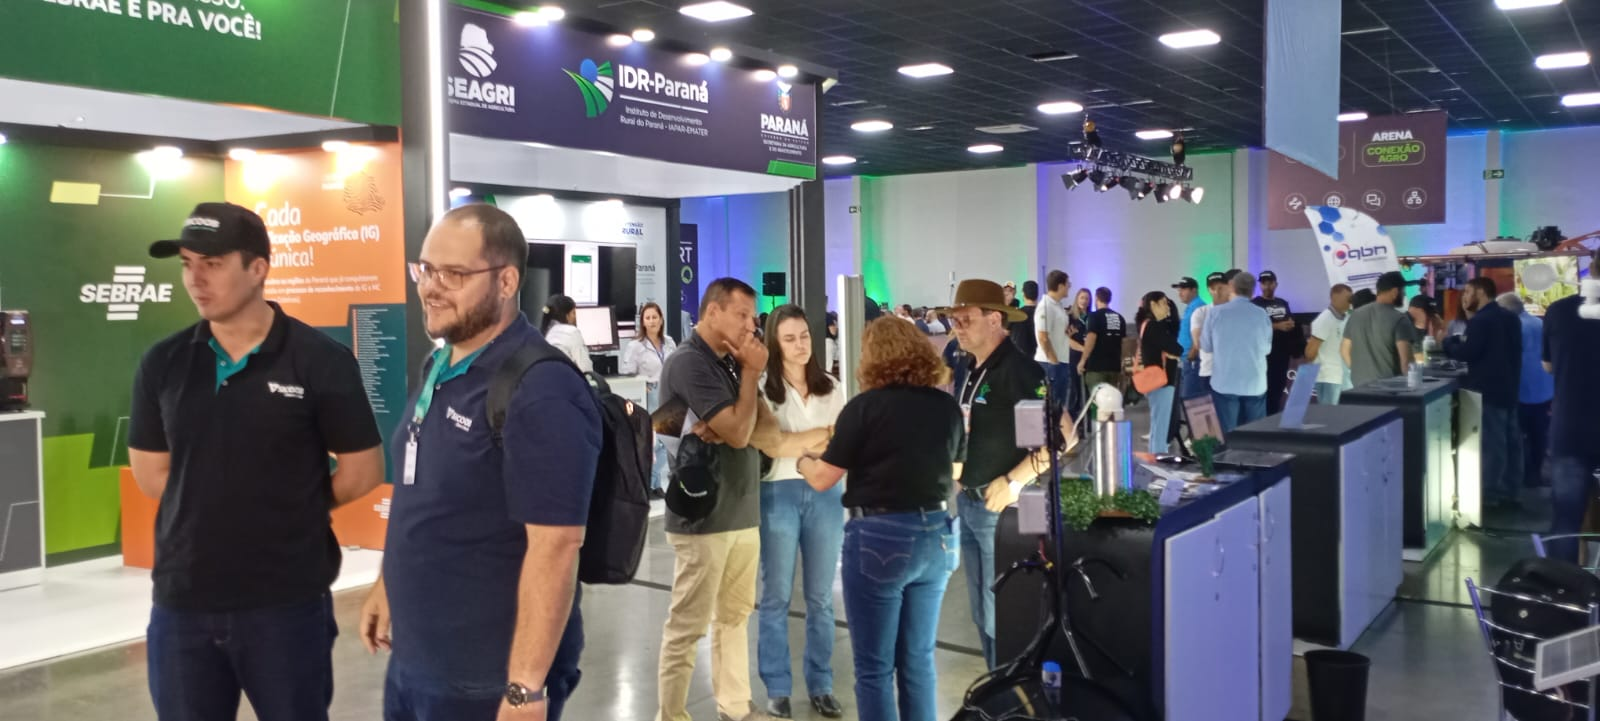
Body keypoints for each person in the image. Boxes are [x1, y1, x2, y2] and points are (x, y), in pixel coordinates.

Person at [129, 202, 385, 721]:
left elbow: (363, 471)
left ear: (258, 268)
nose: (195, 279)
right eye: (187, 264)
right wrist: (224, 503)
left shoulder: (320, 360)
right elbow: (152, 474)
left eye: (213, 264)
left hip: (285, 604)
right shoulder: (163, 363)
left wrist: (293, 505)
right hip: (183, 604)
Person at [366, 205, 600, 721]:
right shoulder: (440, 363)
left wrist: (525, 689)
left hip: (486, 677)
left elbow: (557, 546)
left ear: (506, 281)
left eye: (453, 274)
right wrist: (388, 583)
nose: (431, 287)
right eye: (426, 269)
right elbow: (420, 491)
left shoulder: (541, 388)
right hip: (417, 658)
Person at [796, 317, 963, 721]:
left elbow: (822, 478)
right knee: (919, 661)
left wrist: (802, 461)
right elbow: (956, 475)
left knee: (874, 668)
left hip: (879, 540)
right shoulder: (946, 406)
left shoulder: (862, 409)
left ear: (872, 358)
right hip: (938, 535)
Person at [656, 278, 778, 721]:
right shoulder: (690, 362)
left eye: (753, 317)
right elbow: (742, 432)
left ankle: (736, 706)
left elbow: (767, 432)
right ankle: (671, 714)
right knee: (687, 626)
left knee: (734, 617)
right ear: (712, 312)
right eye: (742, 315)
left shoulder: (731, 363)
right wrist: (750, 380)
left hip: (742, 507)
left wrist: (737, 414)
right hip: (702, 516)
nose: (751, 326)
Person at [944, 279, 1048, 669]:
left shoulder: (1018, 371)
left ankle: (1013, 688)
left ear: (994, 319)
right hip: (971, 502)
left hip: (1004, 510)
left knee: (1003, 612)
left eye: (966, 319)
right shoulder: (970, 366)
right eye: (954, 319)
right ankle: (996, 685)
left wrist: (1013, 481)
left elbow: (1056, 440)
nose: (958, 327)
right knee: (982, 612)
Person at [752, 306, 846, 720]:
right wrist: (821, 435)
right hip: (778, 493)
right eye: (789, 339)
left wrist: (797, 442)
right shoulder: (761, 389)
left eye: (804, 336)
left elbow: (842, 443)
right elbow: (772, 445)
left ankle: (821, 683)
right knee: (775, 595)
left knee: (821, 598)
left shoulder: (832, 387)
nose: (800, 345)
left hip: (826, 492)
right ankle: (777, 687)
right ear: (775, 343)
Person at [1541, 245, 1600, 563]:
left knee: (1566, 520)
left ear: (1592, 269)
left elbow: (1548, 365)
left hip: (1570, 427)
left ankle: (1565, 586)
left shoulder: (1559, 310)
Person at [1444, 278, 1523, 509]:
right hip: (1510, 388)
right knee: (1511, 443)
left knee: (1492, 445)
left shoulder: (1481, 321)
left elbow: (1468, 353)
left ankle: (1490, 495)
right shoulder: (1510, 317)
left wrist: (1448, 344)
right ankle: (1511, 492)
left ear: (1481, 292)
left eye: (1468, 291)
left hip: (1487, 389)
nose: (1464, 297)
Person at [1201, 272, 1272, 432]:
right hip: (1255, 382)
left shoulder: (1215, 313)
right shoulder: (1261, 314)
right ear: (1253, 291)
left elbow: (1206, 346)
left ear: (1232, 287)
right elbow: (1266, 349)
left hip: (1225, 381)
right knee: (1256, 434)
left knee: (1228, 434)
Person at [1498, 292, 1555, 487]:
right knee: (1540, 435)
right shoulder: (1540, 323)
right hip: (1545, 389)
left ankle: (1520, 476)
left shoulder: (1511, 326)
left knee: (1518, 437)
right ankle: (1536, 474)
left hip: (1520, 389)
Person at [623, 302, 678, 497]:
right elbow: (628, 372)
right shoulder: (636, 346)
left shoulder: (669, 342)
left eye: (655, 317)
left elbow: (676, 366)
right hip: (650, 393)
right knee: (652, 441)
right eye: (648, 318)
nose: (652, 321)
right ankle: (647, 483)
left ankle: (653, 483)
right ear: (643, 322)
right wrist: (641, 383)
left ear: (661, 320)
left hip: (669, 393)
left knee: (668, 440)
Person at [1343, 271, 1419, 388]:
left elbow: (1344, 350)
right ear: (1395, 292)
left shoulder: (1355, 315)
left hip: (1359, 388)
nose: (1404, 295)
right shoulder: (1399, 319)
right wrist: (1414, 388)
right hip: (1389, 390)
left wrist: (1357, 372)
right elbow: (1406, 362)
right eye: (1403, 291)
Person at [1138, 291, 1184, 455]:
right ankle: (1159, 457)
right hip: (1162, 381)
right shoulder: (1154, 326)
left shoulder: (1148, 325)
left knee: (1158, 422)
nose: (1167, 307)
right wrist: (1173, 353)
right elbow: (1176, 348)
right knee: (1161, 424)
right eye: (1163, 303)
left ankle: (1155, 455)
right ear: (1153, 304)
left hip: (1156, 380)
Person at [1253, 271, 1299, 415]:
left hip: (1282, 352)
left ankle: (1273, 416)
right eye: (1264, 283)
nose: (1267, 286)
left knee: (1278, 387)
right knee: (1264, 389)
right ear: (1260, 285)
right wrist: (1276, 326)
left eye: (1270, 283)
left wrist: (1291, 324)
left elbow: (1290, 319)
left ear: (1276, 284)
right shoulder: (1255, 304)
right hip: (1264, 355)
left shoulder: (1282, 303)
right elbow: (1254, 326)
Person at [1306, 284, 1354, 405]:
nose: (1350, 301)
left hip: (1343, 376)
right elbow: (1310, 353)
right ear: (1334, 297)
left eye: (1351, 298)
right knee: (1330, 414)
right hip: (1329, 377)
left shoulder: (1346, 317)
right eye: (1347, 298)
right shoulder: (1324, 319)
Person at [1035, 270, 1075, 409]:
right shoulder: (1045, 307)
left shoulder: (1058, 306)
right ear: (1060, 286)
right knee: (1051, 405)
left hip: (1061, 360)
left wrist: (1067, 333)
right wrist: (1054, 361)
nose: (1069, 287)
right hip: (1049, 363)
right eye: (1068, 284)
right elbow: (1043, 337)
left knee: (1059, 404)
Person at [1078, 287, 1127, 396]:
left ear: (1096, 298)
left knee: (1098, 401)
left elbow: (1091, 339)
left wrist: (1083, 360)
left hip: (1097, 368)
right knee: (1112, 400)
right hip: (1114, 368)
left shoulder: (1094, 316)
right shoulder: (1120, 318)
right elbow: (1124, 343)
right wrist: (1122, 363)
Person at [1188, 273, 1229, 403]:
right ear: (1208, 290)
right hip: (1210, 371)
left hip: (1233, 372)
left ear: (1228, 287)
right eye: (1213, 288)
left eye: (1221, 287)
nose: (1217, 291)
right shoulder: (1201, 312)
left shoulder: (1236, 312)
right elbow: (1198, 343)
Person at [540, 294, 594, 373]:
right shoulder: (571, 332)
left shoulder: (544, 333)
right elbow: (586, 369)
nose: (575, 317)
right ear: (566, 315)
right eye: (573, 313)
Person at [1173, 276, 1207, 401]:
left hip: (1193, 359)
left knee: (1191, 398)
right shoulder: (1190, 307)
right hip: (1186, 358)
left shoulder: (1199, 307)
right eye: (1179, 290)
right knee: (1185, 397)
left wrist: (1193, 350)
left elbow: (1202, 331)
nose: (1180, 293)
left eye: (1183, 289)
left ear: (1194, 290)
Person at [1010, 280, 1040, 358]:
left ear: (1023, 294)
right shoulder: (1042, 313)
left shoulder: (1017, 314)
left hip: (1021, 357)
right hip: (1040, 356)